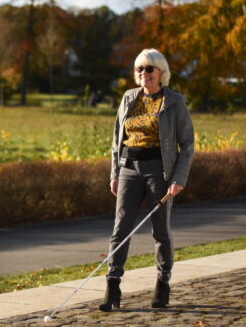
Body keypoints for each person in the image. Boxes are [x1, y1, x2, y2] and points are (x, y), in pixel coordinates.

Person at [99, 48, 194, 312]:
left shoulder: (174, 101)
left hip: (159, 171)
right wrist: (114, 173)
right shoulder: (129, 97)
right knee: (121, 229)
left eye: (149, 69)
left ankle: (163, 284)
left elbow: (187, 143)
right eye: (139, 69)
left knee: (160, 230)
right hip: (129, 168)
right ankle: (112, 286)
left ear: (161, 72)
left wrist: (179, 177)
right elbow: (117, 138)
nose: (143, 73)